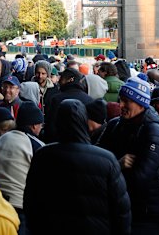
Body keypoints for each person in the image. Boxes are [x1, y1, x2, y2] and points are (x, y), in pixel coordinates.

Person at [24, 99, 131, 234]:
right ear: (84, 121)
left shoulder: (43, 156)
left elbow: (31, 202)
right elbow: (121, 210)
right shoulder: (107, 160)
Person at [96, 77, 159, 234]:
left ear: (141, 104)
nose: (120, 105)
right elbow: (96, 159)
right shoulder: (115, 124)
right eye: (120, 100)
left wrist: (111, 169)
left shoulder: (152, 131)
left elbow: (141, 178)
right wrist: (117, 164)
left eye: (126, 101)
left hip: (145, 212)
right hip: (119, 206)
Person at [0, 102, 45, 234]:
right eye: (41, 125)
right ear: (34, 125)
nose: (41, 128)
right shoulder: (37, 146)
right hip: (19, 206)